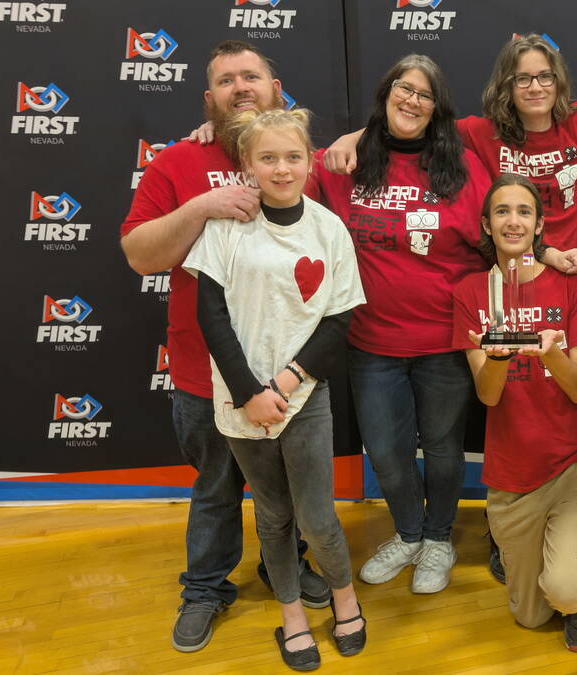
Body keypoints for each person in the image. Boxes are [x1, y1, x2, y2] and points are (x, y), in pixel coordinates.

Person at [120, 40, 329, 653]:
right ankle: (205, 589)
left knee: (285, 490)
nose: (241, 87)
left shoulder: (301, 156)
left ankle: (282, 565)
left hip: (287, 372)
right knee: (216, 488)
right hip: (202, 370)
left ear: (275, 88)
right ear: (208, 98)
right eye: (226, 80)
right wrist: (202, 207)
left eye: (251, 76)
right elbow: (139, 255)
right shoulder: (178, 162)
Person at [182, 108, 366, 670]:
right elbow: (211, 316)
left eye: (292, 157)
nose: (281, 169)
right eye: (268, 158)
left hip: (303, 397)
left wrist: (287, 381)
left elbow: (337, 319)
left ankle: (345, 600)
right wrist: (249, 393)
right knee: (272, 515)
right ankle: (292, 616)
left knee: (317, 518)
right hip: (242, 403)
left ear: (310, 161)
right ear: (247, 164)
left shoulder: (328, 229)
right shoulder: (225, 227)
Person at [307, 54, 492, 594]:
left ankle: (438, 538)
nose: (412, 100)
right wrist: (217, 134)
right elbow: (278, 160)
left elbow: (499, 232)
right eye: (403, 89)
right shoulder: (344, 161)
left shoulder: (462, 166)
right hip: (371, 342)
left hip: (444, 340)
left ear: (438, 108)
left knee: (443, 447)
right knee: (386, 453)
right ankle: (409, 533)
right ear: (385, 95)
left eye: (424, 94)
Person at [452, 173, 577, 652]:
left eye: (524, 211)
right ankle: (570, 550)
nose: (513, 221)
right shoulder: (471, 293)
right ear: (487, 224)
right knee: (530, 615)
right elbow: (488, 397)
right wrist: (498, 359)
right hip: (512, 472)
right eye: (502, 211)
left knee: (563, 590)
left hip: (571, 461)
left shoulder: (573, 285)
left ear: (540, 225)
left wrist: (551, 353)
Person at [326, 34, 577, 275]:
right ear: (507, 85)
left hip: (576, 270)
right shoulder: (481, 132)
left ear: (558, 81)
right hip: (514, 274)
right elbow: (418, 120)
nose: (535, 87)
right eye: (522, 79)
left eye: (545, 77)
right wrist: (354, 137)